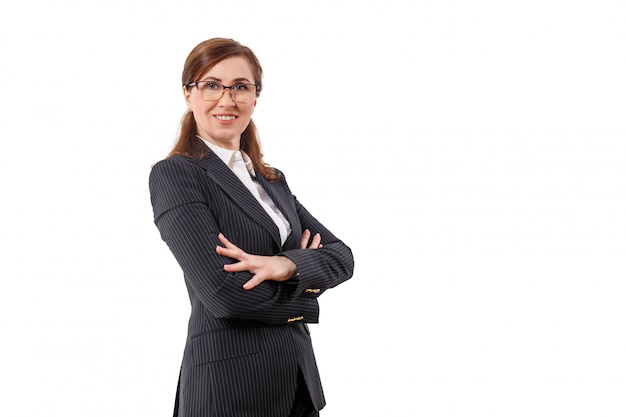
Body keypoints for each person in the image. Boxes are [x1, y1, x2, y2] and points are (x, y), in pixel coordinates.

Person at [148, 38, 355, 417]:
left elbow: (343, 257)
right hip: (230, 391)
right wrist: (306, 297)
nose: (227, 99)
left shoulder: (272, 180)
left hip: (297, 382)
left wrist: (286, 266)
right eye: (212, 85)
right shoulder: (176, 174)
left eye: (240, 87)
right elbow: (226, 297)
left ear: (255, 97)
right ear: (188, 94)